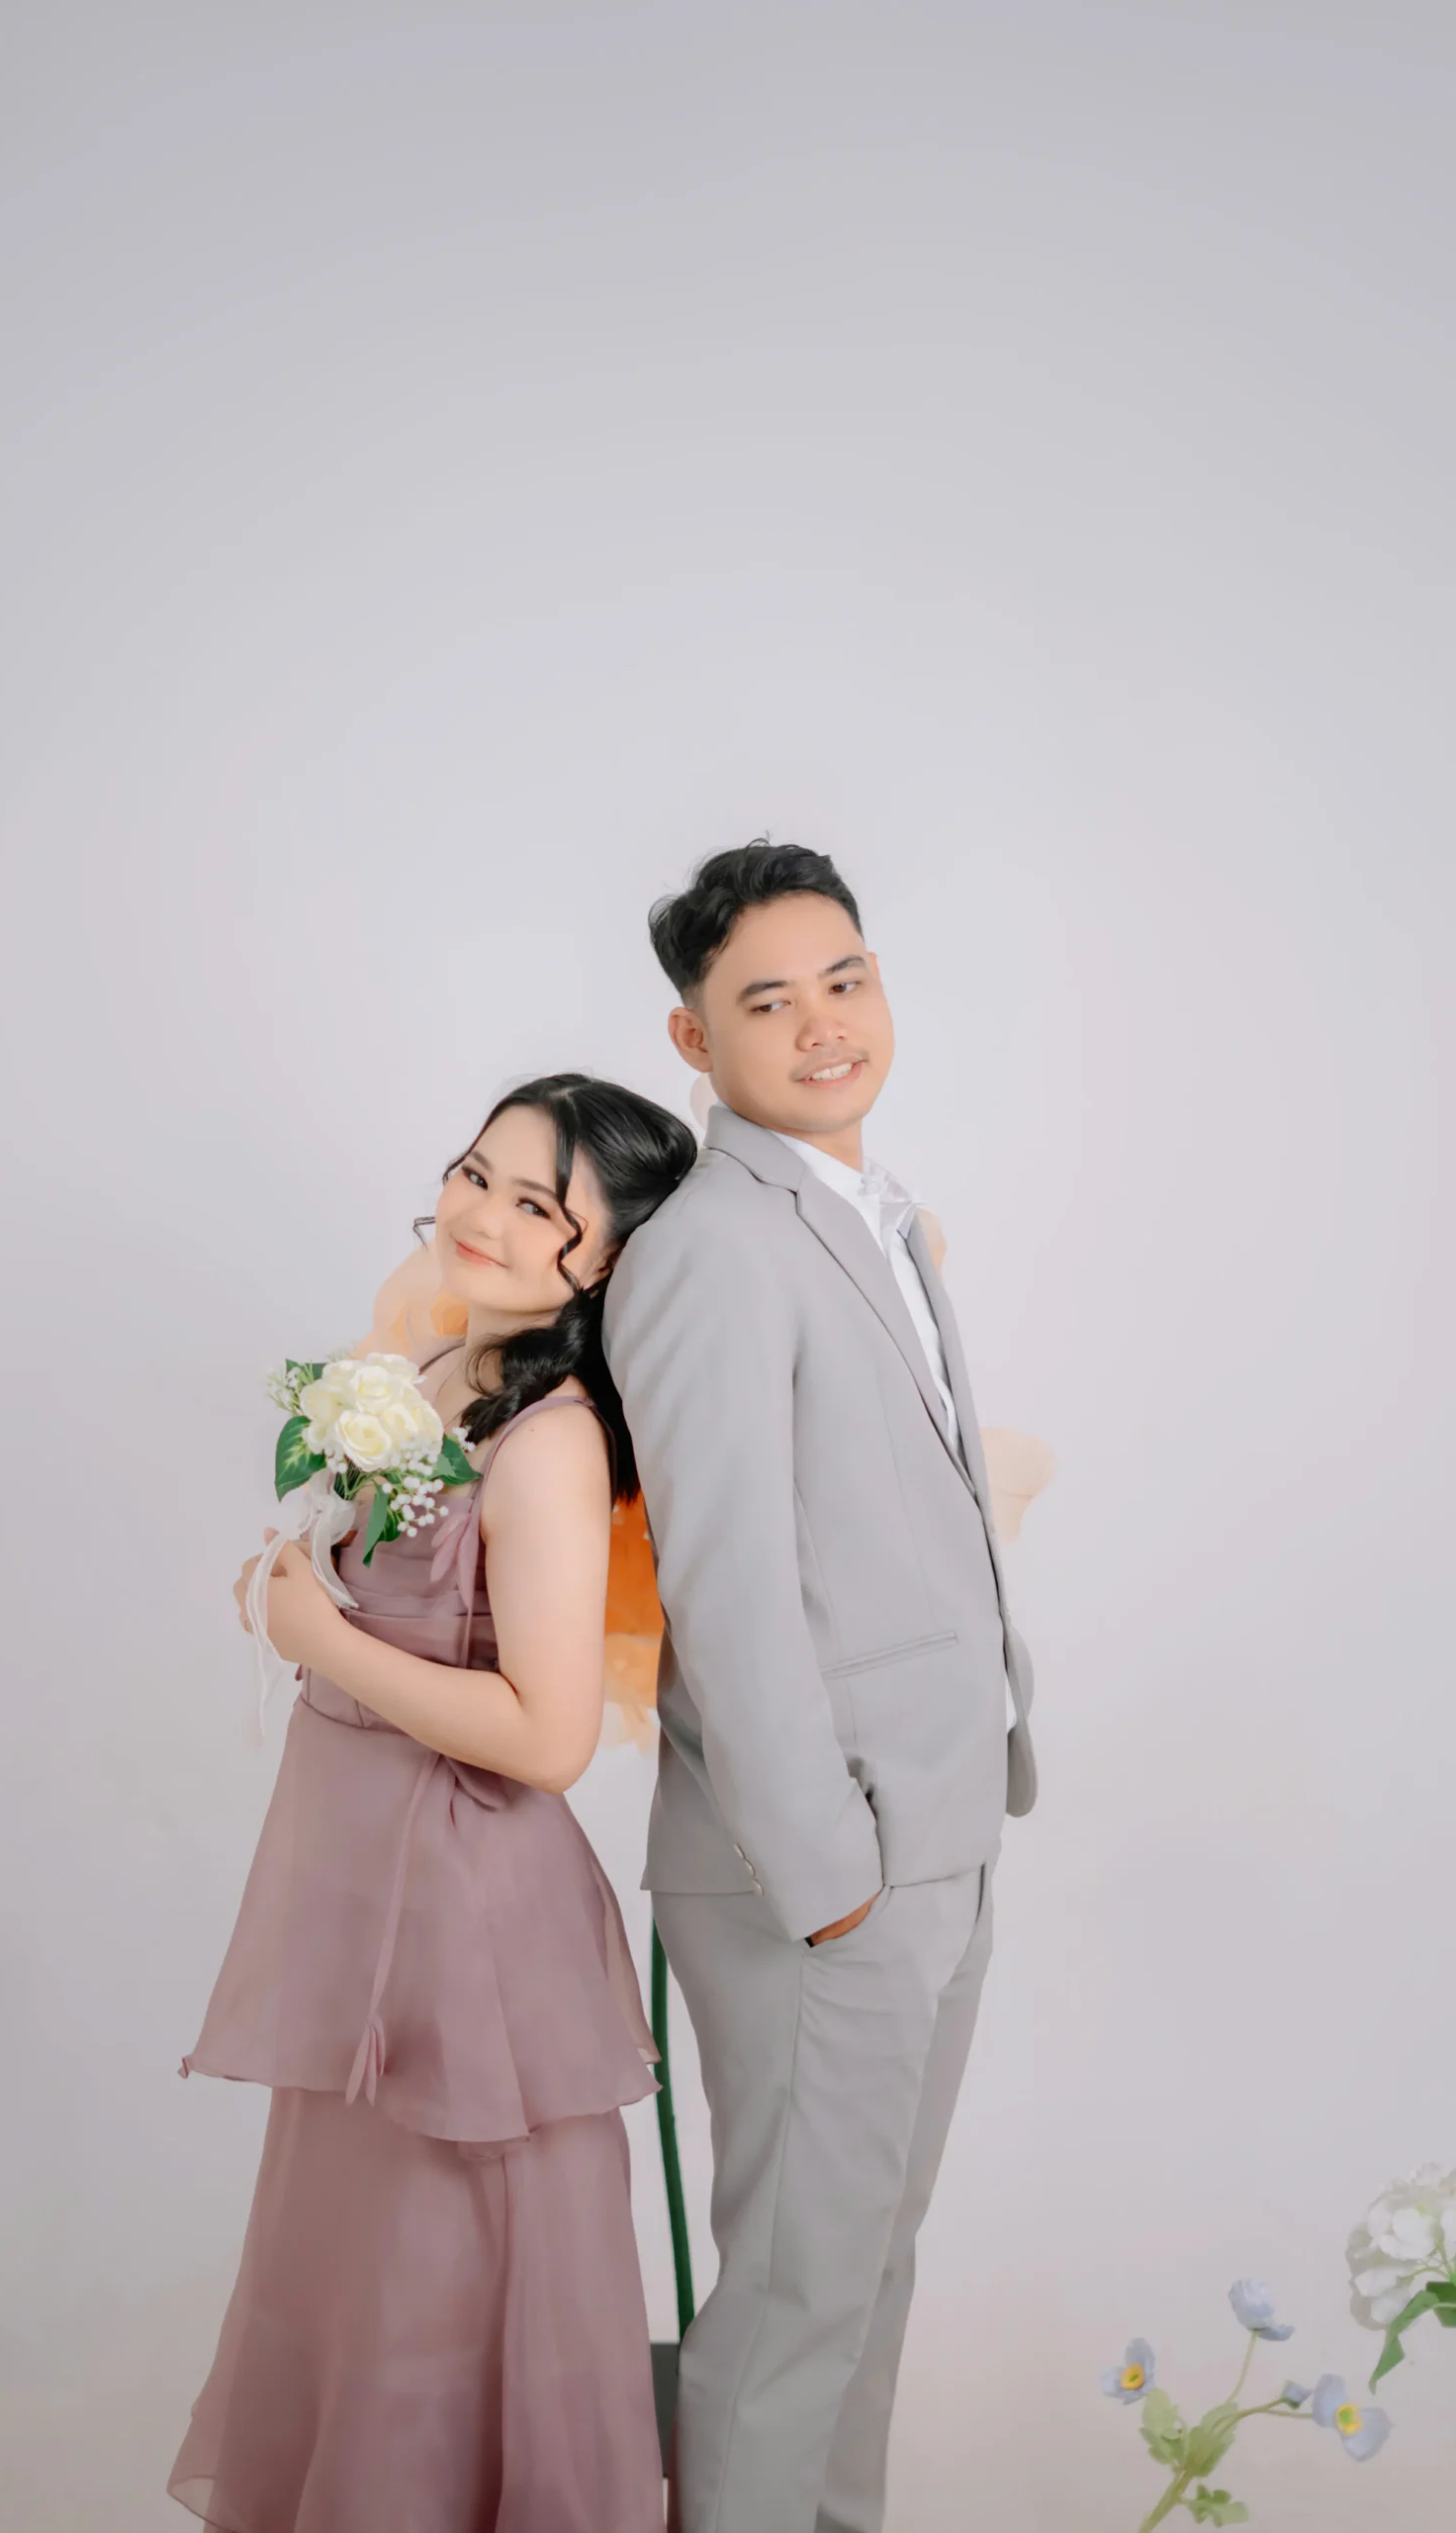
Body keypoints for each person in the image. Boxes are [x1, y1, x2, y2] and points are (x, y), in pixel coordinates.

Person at [171, 1073, 696, 2533]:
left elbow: (547, 1737)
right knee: (359, 2294)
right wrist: (298, 1584)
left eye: (539, 1206)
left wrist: (321, 1637)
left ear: (609, 1257)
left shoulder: (553, 1440)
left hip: (467, 1927)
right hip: (367, 1908)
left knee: (441, 2302)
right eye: (476, 1173)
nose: (483, 1215)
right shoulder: (440, 1373)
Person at [602, 843, 1038, 2533]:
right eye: (767, 1001)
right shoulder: (713, 1245)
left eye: (843, 981)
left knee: (862, 2280)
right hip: (823, 1870)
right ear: (692, 1039)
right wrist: (828, 1877)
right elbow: (721, 1585)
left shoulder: (874, 1214)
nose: (822, 1025)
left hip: (938, 1829)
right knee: (793, 2306)